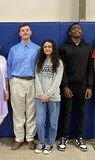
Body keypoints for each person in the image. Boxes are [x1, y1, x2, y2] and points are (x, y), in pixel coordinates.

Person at [58, 23, 94, 152]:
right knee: (66, 112)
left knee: (80, 112)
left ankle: (79, 137)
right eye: (74, 29)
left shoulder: (88, 47)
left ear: (82, 32)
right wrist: (65, 86)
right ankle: (64, 136)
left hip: (83, 87)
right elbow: (61, 69)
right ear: (70, 33)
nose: (77, 30)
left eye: (79, 28)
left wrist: (89, 86)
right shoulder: (63, 48)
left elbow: (90, 68)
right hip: (68, 86)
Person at [7, 24, 40, 150]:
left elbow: (40, 66)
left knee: (32, 111)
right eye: (22, 31)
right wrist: (11, 82)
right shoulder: (14, 49)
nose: (25, 32)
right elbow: (9, 66)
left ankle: (30, 138)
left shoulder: (37, 49)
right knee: (18, 111)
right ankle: (19, 138)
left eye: (27, 30)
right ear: (19, 34)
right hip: (17, 82)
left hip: (32, 81)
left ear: (30, 32)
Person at [34, 40, 63, 154]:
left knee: (53, 122)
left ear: (53, 48)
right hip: (40, 97)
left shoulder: (58, 63)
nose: (47, 48)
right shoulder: (39, 62)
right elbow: (37, 79)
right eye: (45, 47)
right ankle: (41, 142)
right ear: (42, 48)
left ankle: (50, 143)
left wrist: (47, 95)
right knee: (40, 122)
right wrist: (41, 94)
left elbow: (57, 81)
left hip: (53, 97)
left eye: (49, 46)